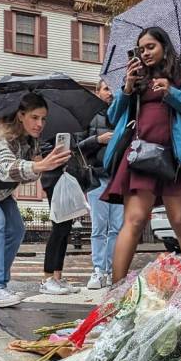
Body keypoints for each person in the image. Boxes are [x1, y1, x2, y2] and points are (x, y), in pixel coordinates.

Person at [103, 27, 181, 283]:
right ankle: (114, 291)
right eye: (141, 49)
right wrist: (128, 88)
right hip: (141, 156)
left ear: (165, 47)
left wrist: (172, 93)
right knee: (134, 220)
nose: (145, 53)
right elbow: (112, 118)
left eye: (150, 47)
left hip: (178, 158)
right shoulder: (136, 78)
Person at [0, 93, 71, 307]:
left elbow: (28, 174)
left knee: (17, 229)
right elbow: (2, 169)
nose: (40, 124)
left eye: (43, 119)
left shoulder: (31, 140)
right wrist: (38, 166)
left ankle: (0, 284)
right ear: (21, 115)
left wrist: (42, 164)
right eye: (35, 117)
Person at [78, 80, 123, 289]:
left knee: (116, 228)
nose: (110, 93)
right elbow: (78, 146)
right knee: (99, 228)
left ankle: (112, 269)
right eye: (106, 88)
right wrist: (98, 139)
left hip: (118, 178)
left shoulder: (123, 114)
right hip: (97, 177)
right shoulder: (87, 115)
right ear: (97, 92)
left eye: (113, 89)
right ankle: (98, 270)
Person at [38, 142, 86, 295]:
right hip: (54, 179)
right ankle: (47, 278)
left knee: (66, 229)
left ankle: (57, 277)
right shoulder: (49, 128)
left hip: (67, 178)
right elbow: (45, 151)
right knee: (58, 228)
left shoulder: (70, 129)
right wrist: (60, 152)